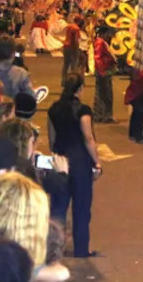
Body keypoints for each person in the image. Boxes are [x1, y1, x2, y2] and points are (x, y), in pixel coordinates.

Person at [48, 74, 102, 257]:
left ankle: (55, 248)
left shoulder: (53, 109)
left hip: (60, 161)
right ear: (79, 89)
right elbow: (88, 138)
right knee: (81, 207)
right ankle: (81, 249)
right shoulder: (83, 111)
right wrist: (97, 162)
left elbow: (52, 138)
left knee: (58, 207)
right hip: (80, 162)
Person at [93, 28, 117, 124]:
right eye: (109, 34)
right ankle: (106, 115)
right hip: (104, 71)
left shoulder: (102, 42)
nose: (111, 36)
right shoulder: (100, 43)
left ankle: (100, 115)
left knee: (101, 93)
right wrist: (102, 71)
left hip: (103, 70)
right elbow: (97, 58)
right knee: (106, 94)